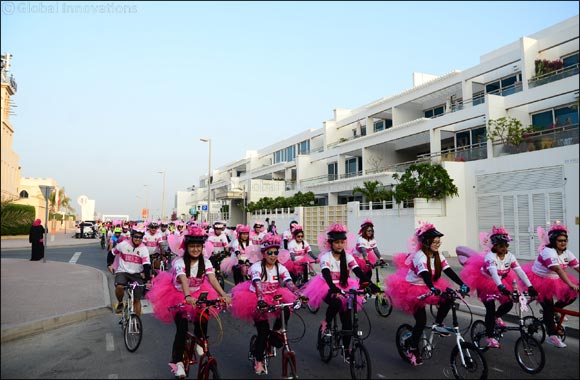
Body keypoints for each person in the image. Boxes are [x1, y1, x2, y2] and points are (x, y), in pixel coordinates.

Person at [146, 226, 231, 378]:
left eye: (198, 246)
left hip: (198, 292)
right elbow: (183, 279)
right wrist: (186, 297)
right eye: (192, 246)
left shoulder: (206, 262)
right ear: (186, 248)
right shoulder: (179, 262)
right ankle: (178, 363)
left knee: (203, 318)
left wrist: (224, 294)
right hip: (178, 295)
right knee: (182, 328)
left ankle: (199, 341)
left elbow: (212, 279)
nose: (195, 249)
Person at [385, 221, 469, 366]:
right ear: (426, 242)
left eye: (439, 241)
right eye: (435, 242)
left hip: (430, 286)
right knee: (421, 322)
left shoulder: (438, 255)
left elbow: (448, 270)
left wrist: (462, 284)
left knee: (448, 299)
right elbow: (424, 273)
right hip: (413, 289)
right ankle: (412, 348)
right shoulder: (419, 256)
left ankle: (438, 323)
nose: (438, 244)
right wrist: (431, 287)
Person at [300, 223, 379, 363]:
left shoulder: (348, 256)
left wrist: (371, 285)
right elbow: (326, 274)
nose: (339, 245)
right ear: (330, 243)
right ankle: (326, 323)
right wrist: (332, 287)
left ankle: (347, 350)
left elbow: (358, 271)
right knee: (335, 302)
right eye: (336, 242)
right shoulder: (326, 257)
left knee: (348, 322)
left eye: (342, 242)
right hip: (326, 286)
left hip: (345, 286)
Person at [230, 233, 304, 375]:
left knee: (286, 310)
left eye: (276, 252)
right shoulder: (256, 267)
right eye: (269, 252)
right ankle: (258, 361)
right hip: (256, 299)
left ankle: (276, 331)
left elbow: (288, 282)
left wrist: (298, 293)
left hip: (275, 296)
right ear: (264, 254)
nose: (273, 255)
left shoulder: (280, 267)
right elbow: (257, 282)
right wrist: (261, 299)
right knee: (263, 332)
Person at [460, 226, 537, 348]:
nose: (504, 248)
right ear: (494, 246)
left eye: (506, 245)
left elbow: (520, 271)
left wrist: (530, 286)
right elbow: (494, 273)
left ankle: (496, 317)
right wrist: (502, 288)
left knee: (509, 303)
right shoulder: (490, 257)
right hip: (485, 283)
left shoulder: (510, 256)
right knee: (490, 308)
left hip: (501, 281)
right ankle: (490, 337)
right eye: (501, 246)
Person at [523, 221, 579, 348]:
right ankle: (552, 335)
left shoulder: (567, 253)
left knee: (572, 294)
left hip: (555, 280)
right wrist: (570, 283)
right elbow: (558, 270)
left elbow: (577, 267)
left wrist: (572, 286)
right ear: (553, 241)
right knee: (548, 305)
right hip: (539, 281)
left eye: (565, 240)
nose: (563, 243)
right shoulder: (548, 252)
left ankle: (553, 311)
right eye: (560, 241)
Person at [107, 227, 152, 316]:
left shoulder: (144, 249)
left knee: (137, 300)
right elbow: (112, 253)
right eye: (136, 237)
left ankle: (136, 323)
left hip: (136, 274)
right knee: (119, 286)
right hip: (122, 271)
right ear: (131, 236)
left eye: (140, 237)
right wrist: (109, 265)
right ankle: (120, 303)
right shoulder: (123, 244)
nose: (138, 239)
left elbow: (146, 266)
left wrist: (147, 280)